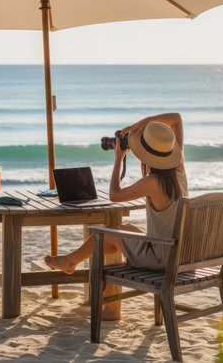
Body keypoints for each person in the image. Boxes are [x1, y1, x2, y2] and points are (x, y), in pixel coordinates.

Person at [45, 112, 189, 320]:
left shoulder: (153, 181)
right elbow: (176, 119)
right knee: (124, 229)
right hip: (181, 252)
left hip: (162, 257)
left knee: (106, 235)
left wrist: (118, 158)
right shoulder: (179, 170)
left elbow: (114, 195)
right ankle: (74, 265)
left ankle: (72, 263)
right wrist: (141, 125)